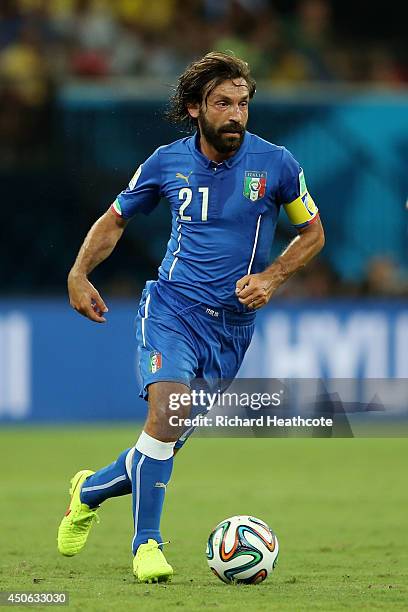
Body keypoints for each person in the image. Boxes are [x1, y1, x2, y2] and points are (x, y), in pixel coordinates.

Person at [57, 51, 324, 583]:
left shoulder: (277, 165)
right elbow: (114, 221)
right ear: (194, 108)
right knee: (169, 413)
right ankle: (147, 544)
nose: (236, 114)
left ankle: (86, 491)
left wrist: (272, 278)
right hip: (172, 309)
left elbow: (312, 233)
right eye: (223, 103)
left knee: (160, 443)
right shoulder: (165, 162)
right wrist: (78, 273)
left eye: (243, 103)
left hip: (231, 330)